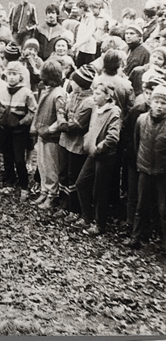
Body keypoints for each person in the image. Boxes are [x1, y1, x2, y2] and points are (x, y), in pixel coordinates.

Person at [75, 82, 121, 236]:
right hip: (92, 154)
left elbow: (113, 138)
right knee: (81, 183)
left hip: (105, 157)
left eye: (98, 93)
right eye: (94, 92)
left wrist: (98, 149)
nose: (94, 96)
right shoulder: (96, 108)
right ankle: (87, 217)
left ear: (107, 96)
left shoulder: (114, 112)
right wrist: (87, 144)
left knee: (99, 191)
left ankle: (99, 225)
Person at [126, 84, 166, 250]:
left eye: (163, 103)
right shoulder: (141, 120)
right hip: (144, 170)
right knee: (141, 206)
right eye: (156, 101)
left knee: (163, 209)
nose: (159, 106)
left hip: (162, 173)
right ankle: (135, 237)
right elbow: (137, 142)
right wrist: (141, 163)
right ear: (150, 102)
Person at [0, 61, 37, 196]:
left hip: (19, 131)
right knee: (7, 157)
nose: (11, 77)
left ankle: (24, 187)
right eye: (9, 74)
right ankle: (10, 182)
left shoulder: (26, 93)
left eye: (14, 74)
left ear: (20, 77)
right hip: (4, 129)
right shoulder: (1, 90)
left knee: (19, 159)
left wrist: (22, 122)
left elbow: (33, 111)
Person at [57, 64, 96, 219]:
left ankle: (74, 208)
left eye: (73, 80)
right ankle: (63, 205)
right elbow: (62, 111)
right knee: (63, 173)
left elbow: (75, 126)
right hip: (64, 142)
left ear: (80, 84)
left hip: (77, 145)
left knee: (74, 176)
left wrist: (61, 120)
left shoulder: (89, 102)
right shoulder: (72, 94)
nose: (70, 82)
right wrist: (62, 117)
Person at [30, 60, 66, 208]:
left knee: (51, 168)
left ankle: (52, 195)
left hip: (51, 138)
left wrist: (48, 130)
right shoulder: (47, 90)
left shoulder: (59, 94)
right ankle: (44, 191)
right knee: (42, 165)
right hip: (42, 136)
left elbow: (61, 120)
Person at [72, 0, 98, 68]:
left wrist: (77, 45)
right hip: (82, 48)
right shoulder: (83, 18)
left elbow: (88, 35)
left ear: (82, 8)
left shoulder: (91, 18)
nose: (77, 11)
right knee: (78, 66)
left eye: (78, 8)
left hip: (89, 49)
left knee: (89, 68)